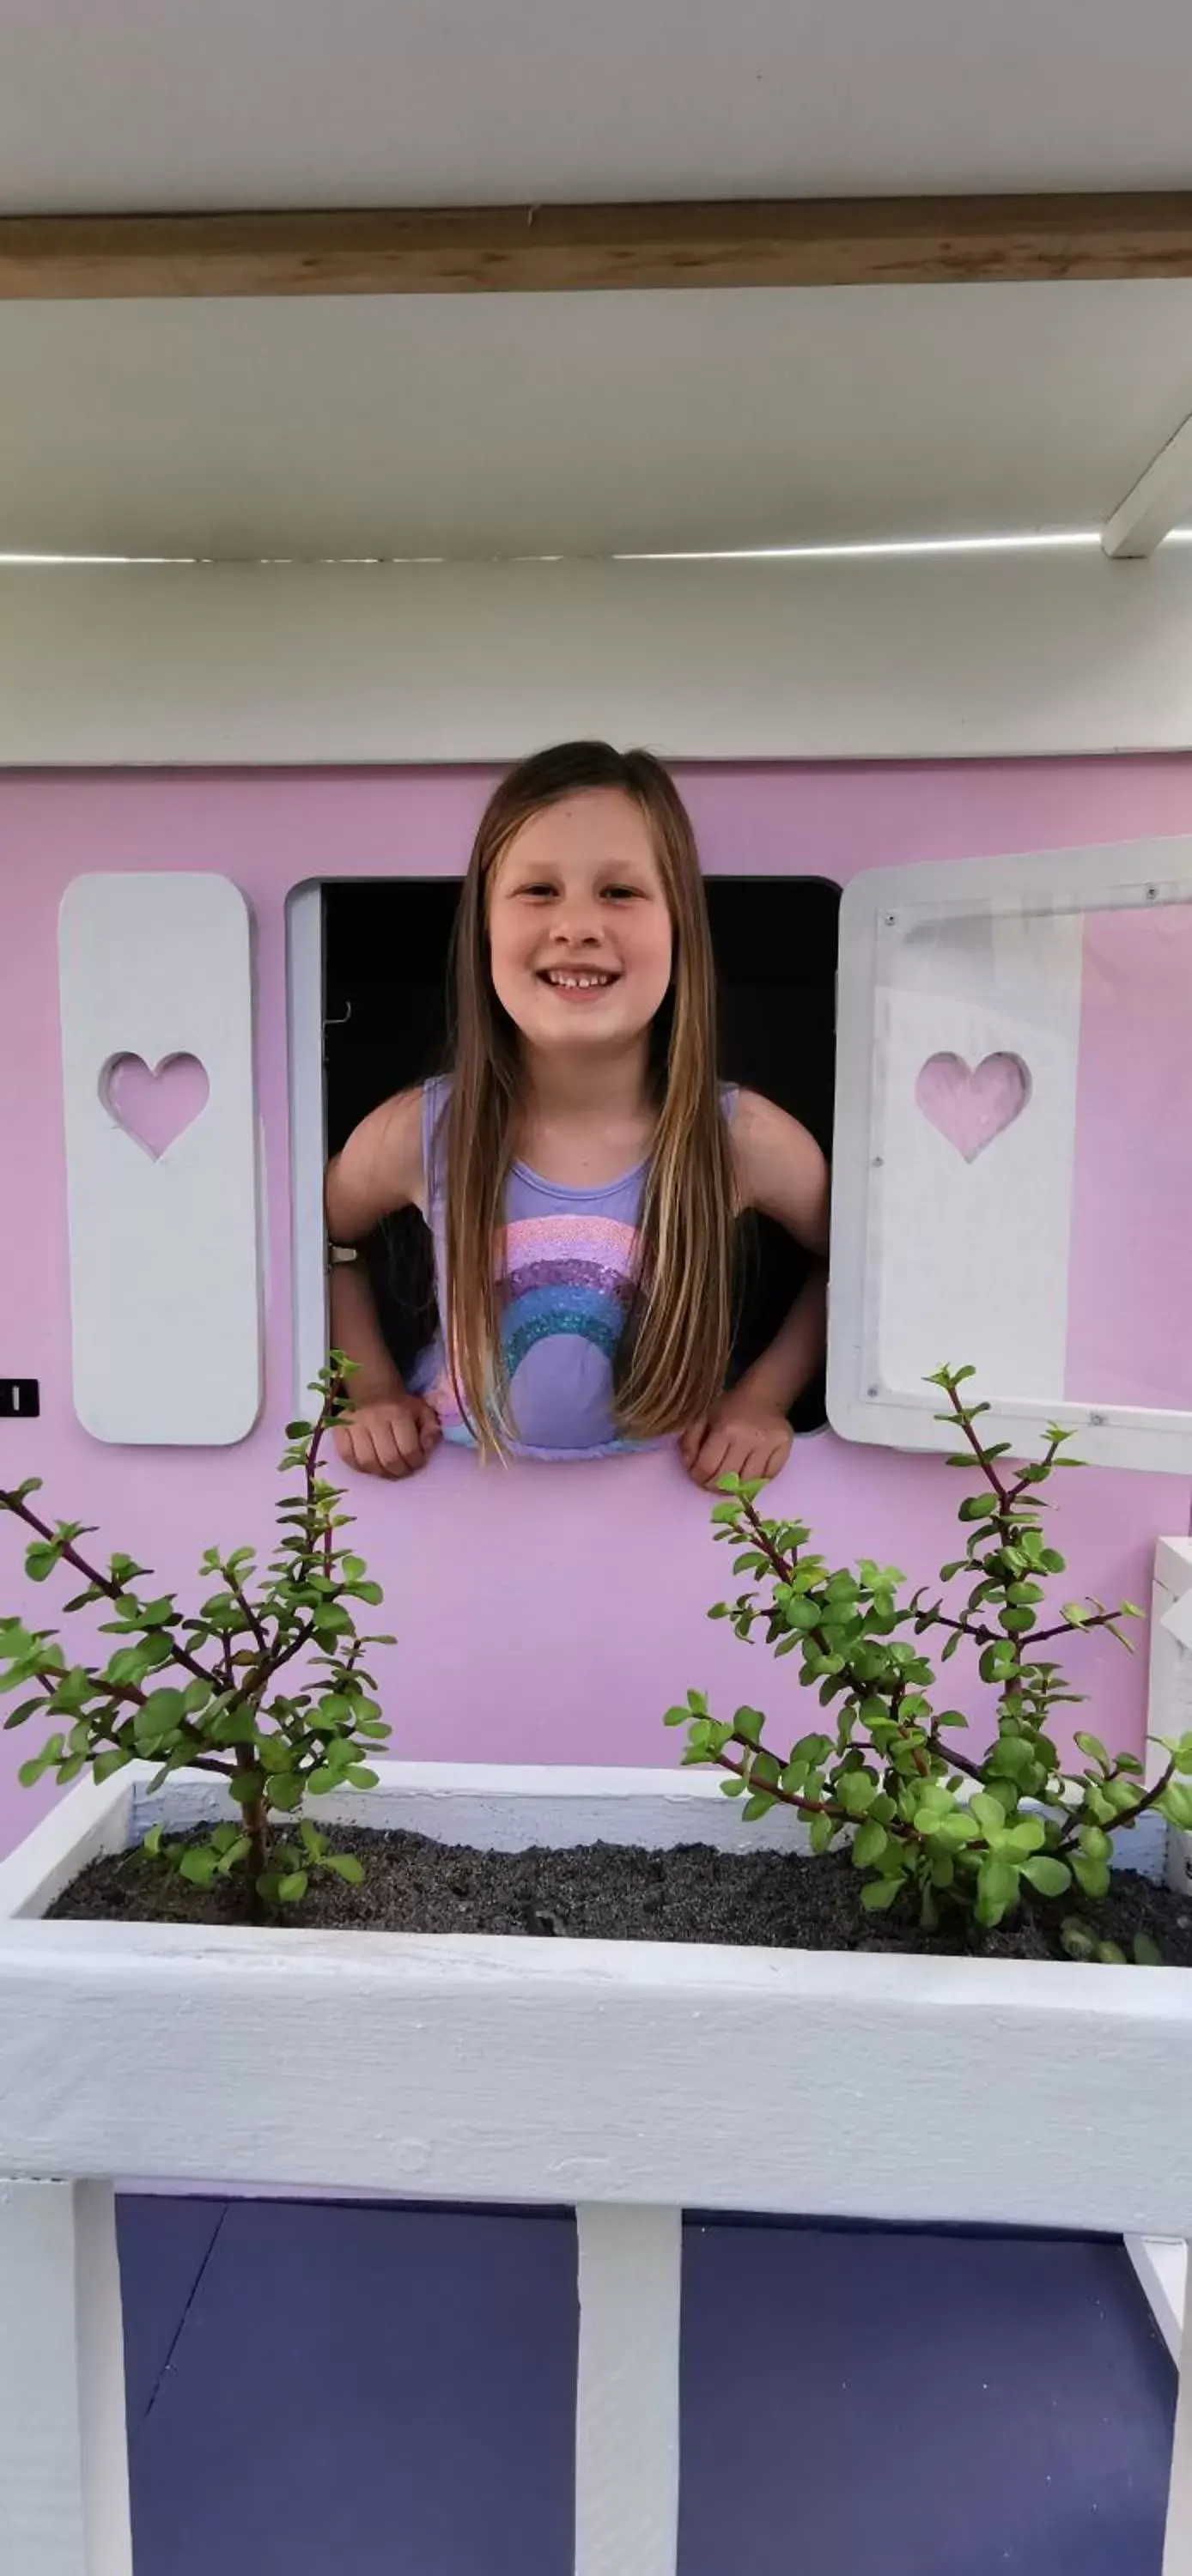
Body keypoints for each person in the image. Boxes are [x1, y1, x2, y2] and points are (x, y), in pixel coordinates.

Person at [325, 740, 829, 1487]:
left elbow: (862, 1267)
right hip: (454, 1514)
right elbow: (318, 1246)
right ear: (485, 929)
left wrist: (763, 1397)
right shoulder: (423, 1129)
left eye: (620, 893)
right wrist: (369, 1392)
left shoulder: (742, 1138)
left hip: (669, 1518)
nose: (578, 926)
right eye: (538, 891)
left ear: (679, 924)